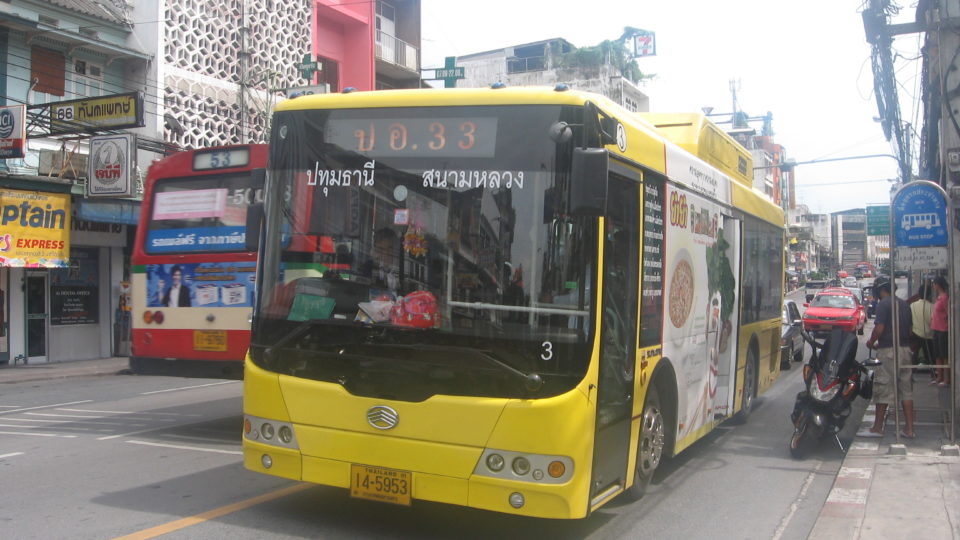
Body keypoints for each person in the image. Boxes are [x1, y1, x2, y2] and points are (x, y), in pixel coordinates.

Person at [861, 278, 915, 438]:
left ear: (879, 290)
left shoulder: (884, 304)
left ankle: (877, 427)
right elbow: (911, 331)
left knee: (883, 387)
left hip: (889, 351)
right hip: (906, 350)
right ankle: (909, 429)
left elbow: (879, 328)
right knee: (906, 390)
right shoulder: (904, 305)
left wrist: (871, 342)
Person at [909, 283, 935, 372]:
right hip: (929, 335)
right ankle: (933, 373)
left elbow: (910, 319)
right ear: (930, 294)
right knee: (930, 356)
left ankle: (912, 370)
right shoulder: (932, 306)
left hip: (915, 333)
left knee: (914, 353)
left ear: (919, 294)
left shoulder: (912, 305)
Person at [930, 276, 950, 388]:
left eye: (934, 283)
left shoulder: (945, 298)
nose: (933, 286)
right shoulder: (938, 298)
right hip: (936, 329)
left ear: (938, 285)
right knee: (937, 354)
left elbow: (948, 313)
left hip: (943, 330)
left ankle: (946, 379)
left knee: (944, 355)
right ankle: (939, 377)